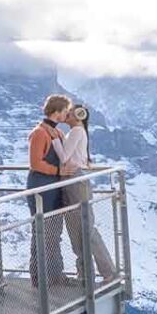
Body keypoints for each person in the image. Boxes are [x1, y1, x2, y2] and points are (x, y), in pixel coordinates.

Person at [60, 104, 118, 281]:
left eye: (69, 112)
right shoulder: (76, 132)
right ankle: (85, 274)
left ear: (77, 116)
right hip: (69, 181)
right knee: (76, 229)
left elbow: (64, 157)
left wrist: (56, 143)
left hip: (74, 181)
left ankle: (108, 272)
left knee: (86, 228)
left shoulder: (76, 131)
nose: (66, 114)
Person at [27, 94, 74, 284]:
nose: (67, 114)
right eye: (65, 111)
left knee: (54, 232)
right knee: (41, 231)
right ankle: (39, 277)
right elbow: (35, 163)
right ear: (57, 111)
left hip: (54, 187)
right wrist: (58, 170)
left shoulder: (58, 133)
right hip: (41, 186)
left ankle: (55, 275)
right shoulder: (40, 133)